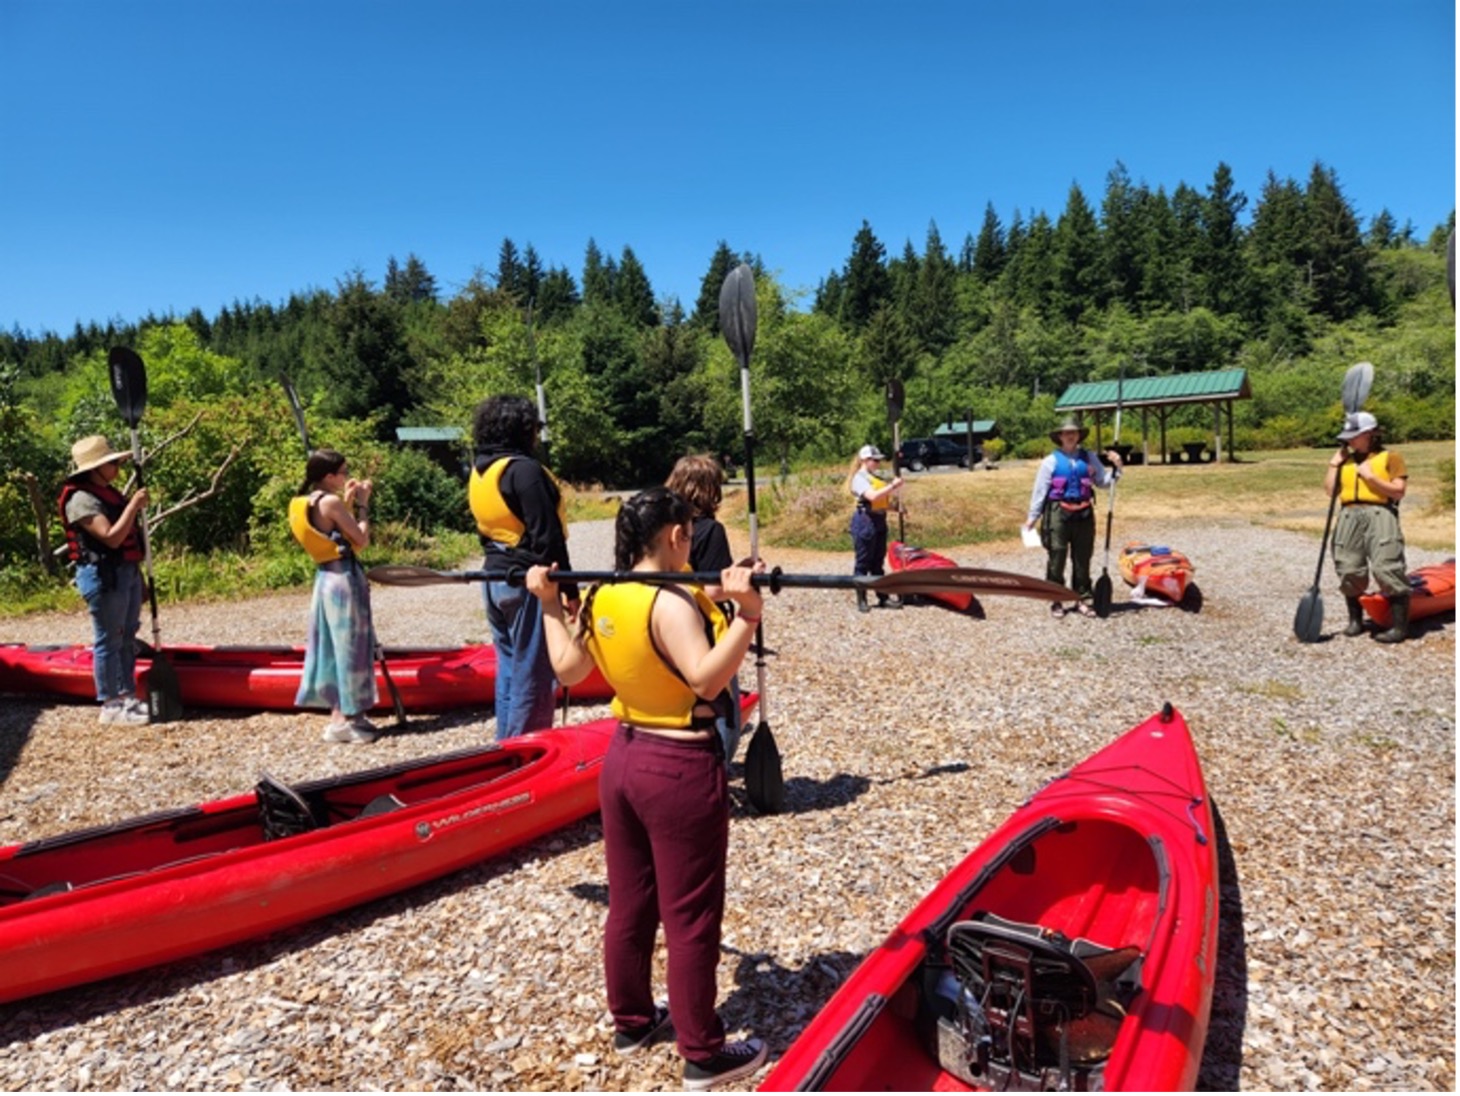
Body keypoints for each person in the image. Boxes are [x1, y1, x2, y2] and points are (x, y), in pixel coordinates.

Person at [525, 487, 769, 1092]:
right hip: (679, 767)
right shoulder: (671, 603)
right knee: (690, 916)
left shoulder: (608, 594)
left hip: (624, 760)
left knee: (631, 902)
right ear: (677, 536)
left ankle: (633, 1023)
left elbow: (570, 671)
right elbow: (708, 679)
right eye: (689, 534)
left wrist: (550, 606)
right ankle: (703, 1054)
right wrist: (749, 616)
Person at [470, 394, 578, 739]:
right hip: (529, 581)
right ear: (523, 429)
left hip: (494, 577)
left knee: (510, 668)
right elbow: (547, 538)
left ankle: (506, 742)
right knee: (534, 672)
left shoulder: (481, 469)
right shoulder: (524, 470)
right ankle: (525, 754)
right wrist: (569, 591)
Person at [59, 435, 151, 725]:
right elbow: (111, 538)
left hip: (125, 572)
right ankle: (110, 704)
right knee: (109, 640)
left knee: (127, 637)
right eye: (111, 463)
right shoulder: (80, 500)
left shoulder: (109, 494)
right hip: (102, 576)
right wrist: (134, 506)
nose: (117, 468)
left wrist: (141, 580)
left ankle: (127, 696)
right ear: (94, 469)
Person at [291, 448, 381, 743]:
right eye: (342, 472)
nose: (345, 476)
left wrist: (349, 502)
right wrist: (364, 504)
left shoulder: (305, 501)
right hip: (344, 580)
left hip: (324, 579)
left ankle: (338, 717)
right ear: (329, 476)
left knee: (331, 647)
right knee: (351, 647)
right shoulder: (330, 501)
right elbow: (361, 539)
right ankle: (352, 719)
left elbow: (333, 530)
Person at [666, 454, 743, 767]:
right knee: (722, 705)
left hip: (665, 620)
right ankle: (716, 770)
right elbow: (712, 588)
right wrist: (742, 581)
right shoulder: (710, 530)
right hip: (705, 625)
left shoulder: (659, 527)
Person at [1024, 420, 1123, 618]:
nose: (1070, 436)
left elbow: (1103, 483)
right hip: (1058, 513)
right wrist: (1032, 518)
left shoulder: (1089, 458)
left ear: (1078, 436)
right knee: (1057, 554)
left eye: (1074, 433)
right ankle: (1056, 598)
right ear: (1060, 436)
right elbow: (1040, 491)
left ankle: (1082, 598)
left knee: (1082, 556)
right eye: (1066, 433)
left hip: (1084, 512)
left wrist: (1117, 467)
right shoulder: (1049, 462)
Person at [1327, 411, 1410, 642]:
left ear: (1369, 434)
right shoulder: (1345, 460)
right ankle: (1356, 621)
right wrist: (1333, 466)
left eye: (1354, 436)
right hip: (1348, 515)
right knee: (1348, 567)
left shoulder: (1391, 457)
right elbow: (1330, 491)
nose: (1349, 440)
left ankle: (1400, 628)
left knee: (1387, 566)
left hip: (1380, 513)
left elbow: (1398, 491)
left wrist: (1371, 477)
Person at [847, 444, 903, 612]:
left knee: (878, 562)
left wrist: (895, 508)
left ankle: (883, 597)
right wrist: (893, 486)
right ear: (865, 460)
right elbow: (872, 496)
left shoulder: (874, 477)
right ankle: (861, 598)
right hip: (864, 522)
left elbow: (880, 502)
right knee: (863, 562)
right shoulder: (859, 478)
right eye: (875, 460)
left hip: (878, 520)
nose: (878, 463)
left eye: (878, 460)